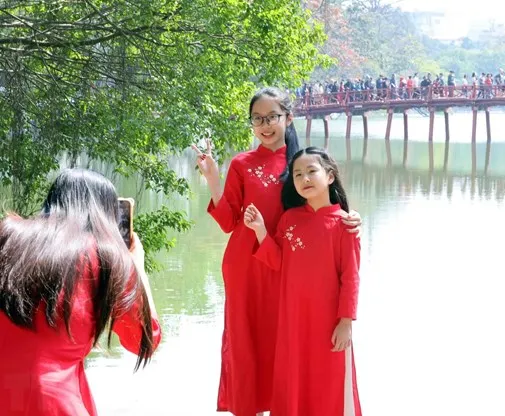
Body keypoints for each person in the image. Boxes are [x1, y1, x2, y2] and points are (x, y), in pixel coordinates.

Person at [192, 87, 361, 416]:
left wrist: (353, 218)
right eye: (258, 119)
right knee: (248, 343)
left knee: (290, 342)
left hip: (289, 269)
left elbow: (325, 213)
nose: (265, 125)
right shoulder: (243, 163)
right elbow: (229, 222)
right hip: (246, 266)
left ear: (289, 118)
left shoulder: (302, 164)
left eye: (272, 117)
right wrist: (214, 180)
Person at [0, 168, 161, 416]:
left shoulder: (9, 233)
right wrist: (138, 269)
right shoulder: (107, 256)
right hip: (54, 403)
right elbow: (144, 341)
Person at [244, 147, 362, 416]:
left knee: (328, 382)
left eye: (311, 171)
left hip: (329, 322)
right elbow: (278, 263)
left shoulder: (345, 224)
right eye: (297, 174)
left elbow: (351, 277)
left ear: (330, 176)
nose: (304, 179)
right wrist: (261, 230)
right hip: (293, 320)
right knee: (293, 379)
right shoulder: (289, 220)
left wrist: (346, 322)